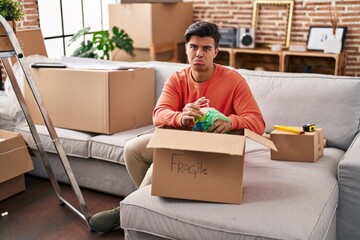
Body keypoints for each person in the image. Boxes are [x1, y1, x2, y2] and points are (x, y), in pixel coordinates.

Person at [88, 20, 266, 233]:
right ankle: (147, 208)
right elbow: (159, 114)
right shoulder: (176, 79)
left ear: (216, 52)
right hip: (182, 138)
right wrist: (181, 118)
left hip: (216, 146)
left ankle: (125, 211)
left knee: (160, 165)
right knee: (132, 149)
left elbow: (258, 123)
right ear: (186, 49)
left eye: (206, 48)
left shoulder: (234, 80)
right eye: (194, 47)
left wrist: (231, 121)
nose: (199, 53)